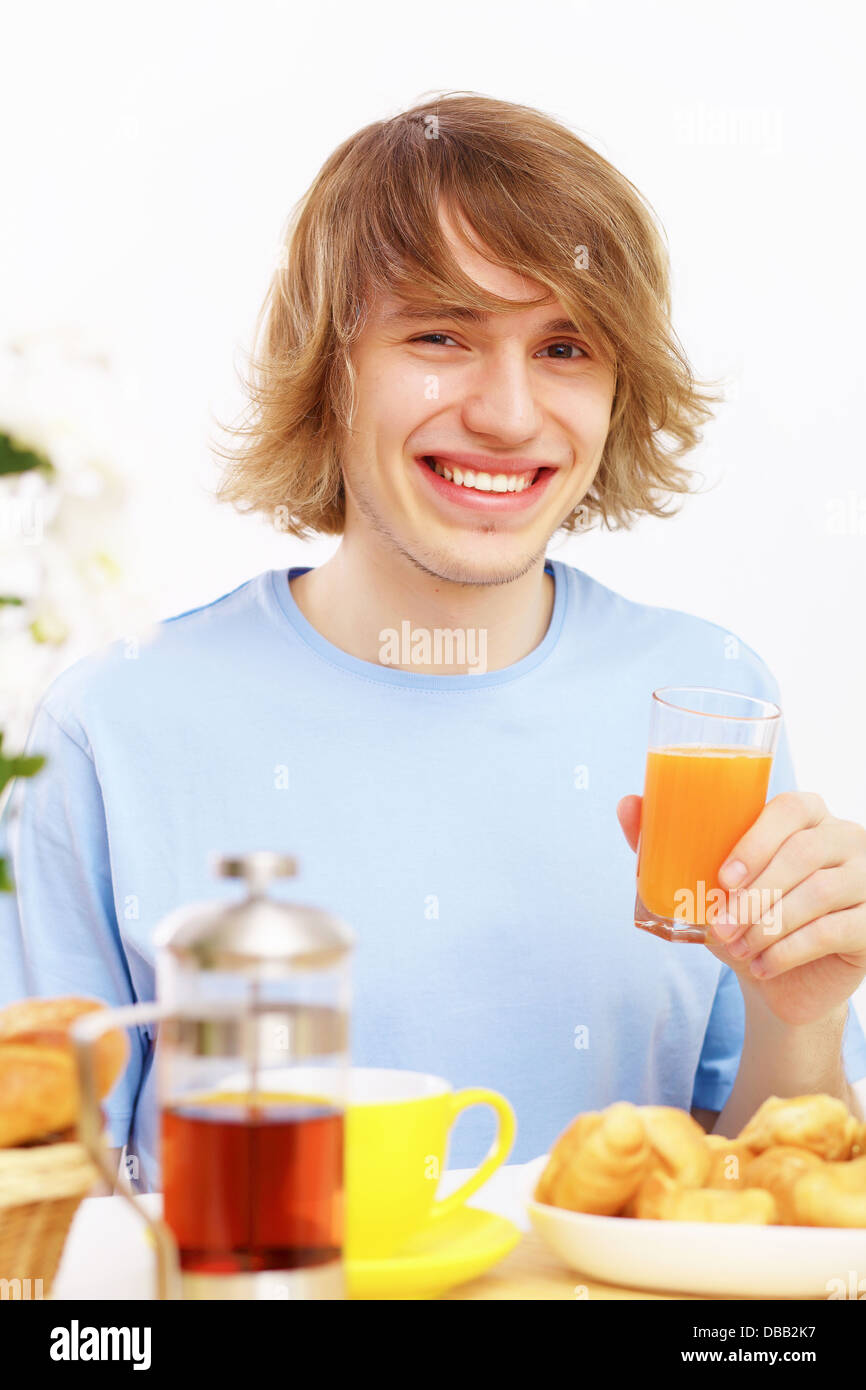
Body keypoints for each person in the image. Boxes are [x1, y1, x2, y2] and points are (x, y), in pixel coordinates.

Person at [2, 94, 864, 1194]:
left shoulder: (705, 697)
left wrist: (802, 1014)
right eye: (439, 335)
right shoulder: (110, 727)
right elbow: (40, 1211)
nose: (507, 414)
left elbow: (751, 1199)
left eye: (563, 346)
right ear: (329, 366)